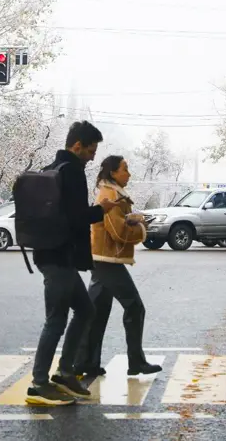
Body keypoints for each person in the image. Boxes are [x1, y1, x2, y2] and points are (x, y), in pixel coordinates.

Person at [25, 121, 119, 406]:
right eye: (91, 150)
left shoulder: (51, 168)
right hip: (59, 258)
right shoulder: (73, 172)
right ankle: (38, 384)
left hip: (52, 255)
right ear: (77, 145)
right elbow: (77, 218)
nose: (92, 157)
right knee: (56, 321)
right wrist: (101, 210)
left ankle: (65, 373)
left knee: (86, 310)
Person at [75, 155, 163, 377]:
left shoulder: (110, 193)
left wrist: (130, 218)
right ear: (113, 173)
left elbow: (115, 224)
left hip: (101, 257)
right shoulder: (111, 195)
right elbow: (117, 232)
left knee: (96, 312)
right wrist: (139, 227)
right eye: (125, 169)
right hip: (108, 261)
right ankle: (136, 362)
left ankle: (85, 363)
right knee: (135, 307)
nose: (129, 173)